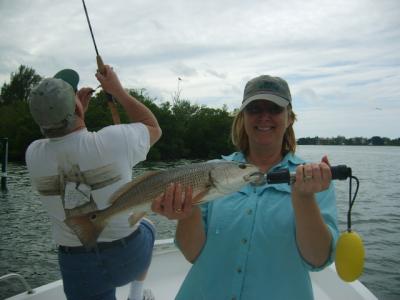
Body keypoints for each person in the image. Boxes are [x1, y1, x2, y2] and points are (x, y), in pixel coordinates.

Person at [152, 75, 339, 299]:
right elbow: (193, 254)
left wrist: (304, 198)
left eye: (275, 109)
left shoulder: (313, 179)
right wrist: (187, 214)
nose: (264, 117)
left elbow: (317, 259)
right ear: (243, 117)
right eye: (254, 109)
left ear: (290, 117)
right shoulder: (208, 172)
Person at [25, 66, 162, 300]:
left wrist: (76, 113)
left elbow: (67, 141)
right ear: (77, 107)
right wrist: (117, 90)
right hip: (129, 255)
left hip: (77, 264)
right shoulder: (115, 140)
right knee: (147, 225)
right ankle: (136, 295)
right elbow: (153, 128)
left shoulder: (33, 154)